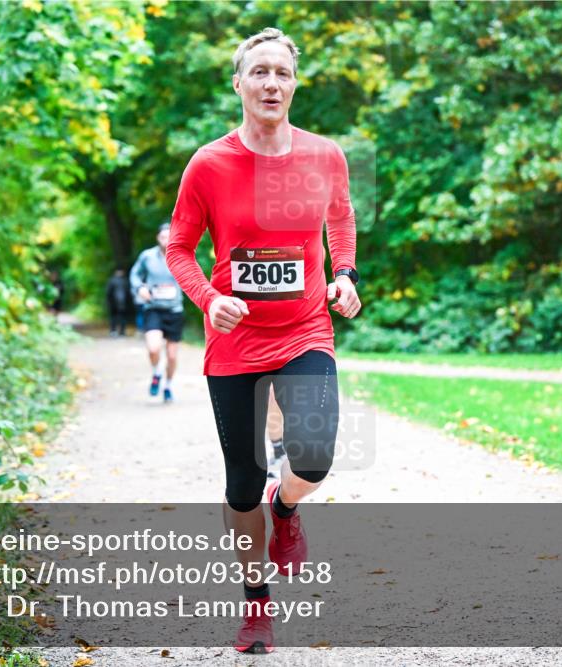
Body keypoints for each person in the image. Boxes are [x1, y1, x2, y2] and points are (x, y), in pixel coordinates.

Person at [166, 27, 360, 653]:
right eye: (259, 72)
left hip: (306, 327)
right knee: (241, 480)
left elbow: (341, 217)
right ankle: (255, 605)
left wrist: (345, 276)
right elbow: (179, 245)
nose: (271, 83)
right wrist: (209, 298)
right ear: (239, 84)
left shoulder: (325, 155)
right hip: (236, 340)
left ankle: (287, 509)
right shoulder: (209, 163)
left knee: (313, 456)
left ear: (294, 84)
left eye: (282, 72)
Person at [130, 222, 185, 403]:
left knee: (172, 355)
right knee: (153, 348)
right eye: (163, 236)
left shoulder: (181, 255)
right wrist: (139, 288)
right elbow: (135, 275)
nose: (166, 240)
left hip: (174, 310)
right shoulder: (147, 256)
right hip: (153, 308)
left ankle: (168, 386)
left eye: (169, 236)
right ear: (157, 238)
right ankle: (157, 372)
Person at [105, 268, 131, 337]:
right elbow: (128, 293)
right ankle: (122, 332)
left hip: (113, 303)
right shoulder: (125, 281)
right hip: (123, 304)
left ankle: (113, 331)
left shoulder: (111, 280)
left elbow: (108, 293)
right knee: (122, 318)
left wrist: (108, 302)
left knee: (113, 317)